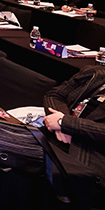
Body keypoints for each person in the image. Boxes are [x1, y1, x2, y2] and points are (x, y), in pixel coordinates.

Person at [44, 65, 105, 199]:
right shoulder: (94, 72)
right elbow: (55, 95)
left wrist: (65, 123)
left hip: (91, 154)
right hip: (56, 136)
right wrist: (62, 124)